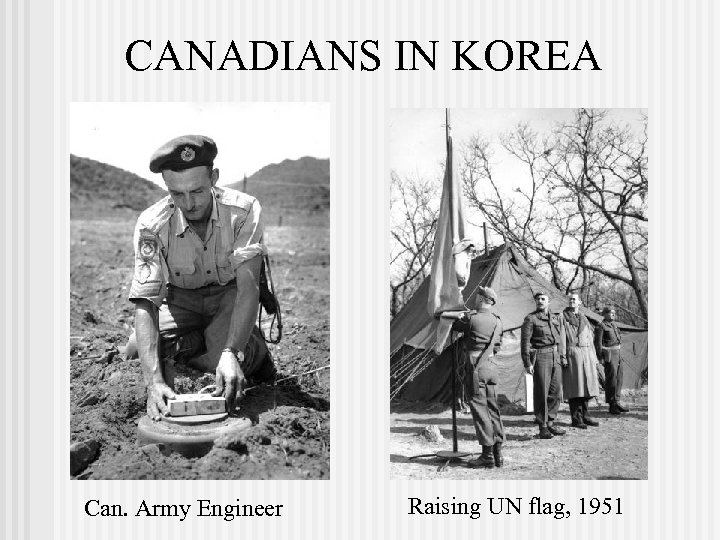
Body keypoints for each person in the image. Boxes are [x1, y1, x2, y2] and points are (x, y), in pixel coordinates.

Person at [126, 135, 276, 421]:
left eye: (197, 191)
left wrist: (232, 352)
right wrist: (153, 382)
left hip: (229, 294)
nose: (188, 203)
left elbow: (248, 288)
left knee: (221, 363)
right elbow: (145, 304)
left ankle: (253, 352)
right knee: (136, 351)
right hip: (181, 299)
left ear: (214, 178)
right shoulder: (152, 224)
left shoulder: (243, 211)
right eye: (176, 193)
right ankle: (199, 341)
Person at [451, 287, 505, 468]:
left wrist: (459, 318)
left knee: (480, 411)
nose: (475, 297)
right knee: (493, 410)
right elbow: (497, 347)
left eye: (477, 295)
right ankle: (498, 454)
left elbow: (454, 327)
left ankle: (487, 456)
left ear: (482, 299)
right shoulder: (498, 322)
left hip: (475, 368)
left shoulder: (471, 318)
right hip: (491, 367)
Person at [521, 292, 567, 439]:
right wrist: (527, 362)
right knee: (541, 392)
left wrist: (561, 356)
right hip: (541, 357)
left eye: (543, 299)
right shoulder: (531, 318)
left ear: (548, 301)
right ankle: (542, 426)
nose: (540, 301)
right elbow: (525, 342)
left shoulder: (555, 318)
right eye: (538, 299)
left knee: (555, 391)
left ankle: (551, 422)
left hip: (555, 356)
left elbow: (559, 339)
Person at [562, 294, 600, 428]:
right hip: (573, 354)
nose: (572, 301)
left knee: (587, 387)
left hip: (587, 355)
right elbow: (561, 339)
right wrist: (563, 356)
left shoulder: (584, 318)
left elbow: (590, 339)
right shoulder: (563, 317)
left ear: (580, 302)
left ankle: (586, 416)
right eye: (570, 299)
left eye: (575, 299)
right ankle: (576, 419)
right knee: (575, 388)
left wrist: (594, 358)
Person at [594, 307, 629, 414]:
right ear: (604, 314)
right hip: (609, 354)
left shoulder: (614, 325)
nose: (613, 315)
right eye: (610, 313)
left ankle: (617, 401)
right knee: (611, 379)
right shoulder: (601, 326)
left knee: (619, 378)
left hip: (618, 353)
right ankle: (612, 404)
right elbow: (598, 344)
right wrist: (601, 358)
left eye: (614, 313)